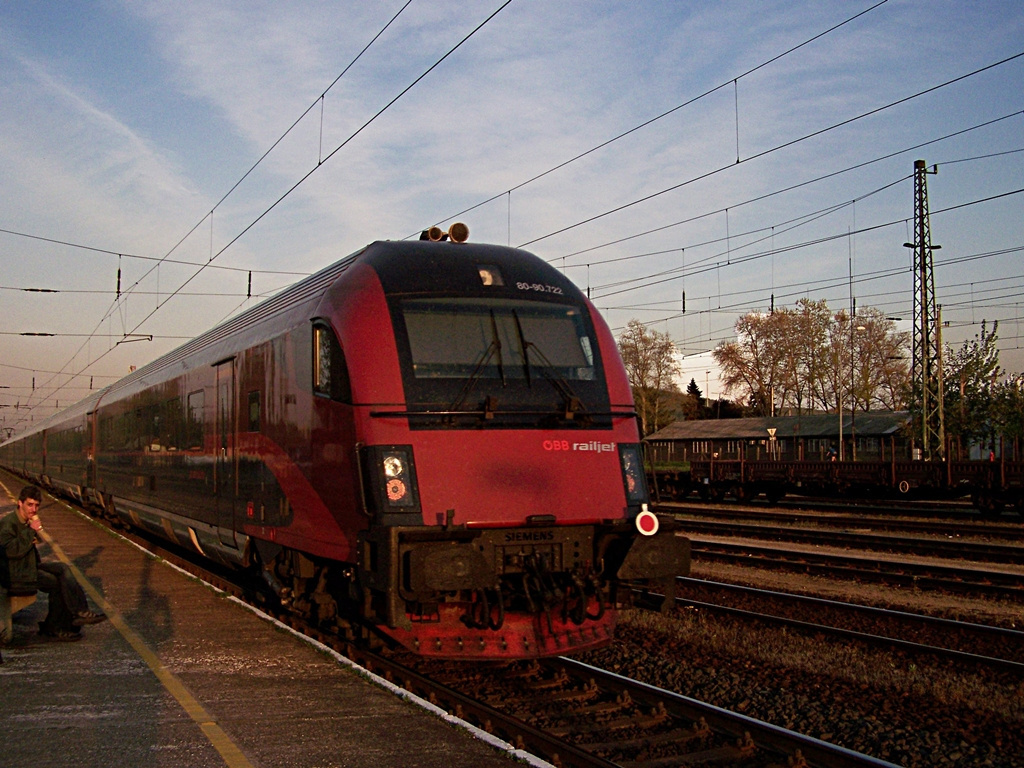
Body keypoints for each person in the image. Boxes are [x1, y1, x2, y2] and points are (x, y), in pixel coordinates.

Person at [0, 485, 106, 642]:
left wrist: (32, 531)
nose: (33, 509)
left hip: (27, 566)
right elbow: (10, 552)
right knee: (56, 583)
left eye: (36, 505)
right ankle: (56, 627)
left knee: (63, 568)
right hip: (15, 573)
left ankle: (80, 612)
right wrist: (31, 532)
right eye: (30, 504)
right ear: (19, 503)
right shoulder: (9, 523)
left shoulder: (25, 520)